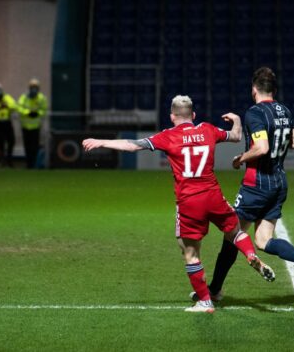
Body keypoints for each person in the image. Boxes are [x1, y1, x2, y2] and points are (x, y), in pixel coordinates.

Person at [82, 95, 275, 313]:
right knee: (235, 232)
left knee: (190, 252)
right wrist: (237, 119)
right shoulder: (208, 129)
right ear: (193, 115)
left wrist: (101, 142)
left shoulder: (168, 136)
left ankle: (204, 301)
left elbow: (133, 146)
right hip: (213, 194)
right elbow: (236, 136)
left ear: (172, 116)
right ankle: (250, 255)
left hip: (189, 201)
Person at [206, 67, 294, 301]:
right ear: (274, 90)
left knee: (232, 234)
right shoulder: (286, 110)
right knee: (263, 240)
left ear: (254, 90)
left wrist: (240, 158)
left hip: (256, 184)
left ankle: (214, 289)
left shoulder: (255, 113)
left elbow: (261, 148)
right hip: (279, 183)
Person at [17, 78, 48, 169]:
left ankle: (34, 164)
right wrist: (28, 113)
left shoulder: (41, 98)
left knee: (35, 147)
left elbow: (44, 110)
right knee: (27, 147)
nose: (34, 89)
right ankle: (28, 164)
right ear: (29, 87)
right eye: (32, 87)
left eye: (35, 87)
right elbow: (19, 108)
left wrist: (37, 113)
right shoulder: (24, 97)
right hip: (25, 126)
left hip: (36, 127)